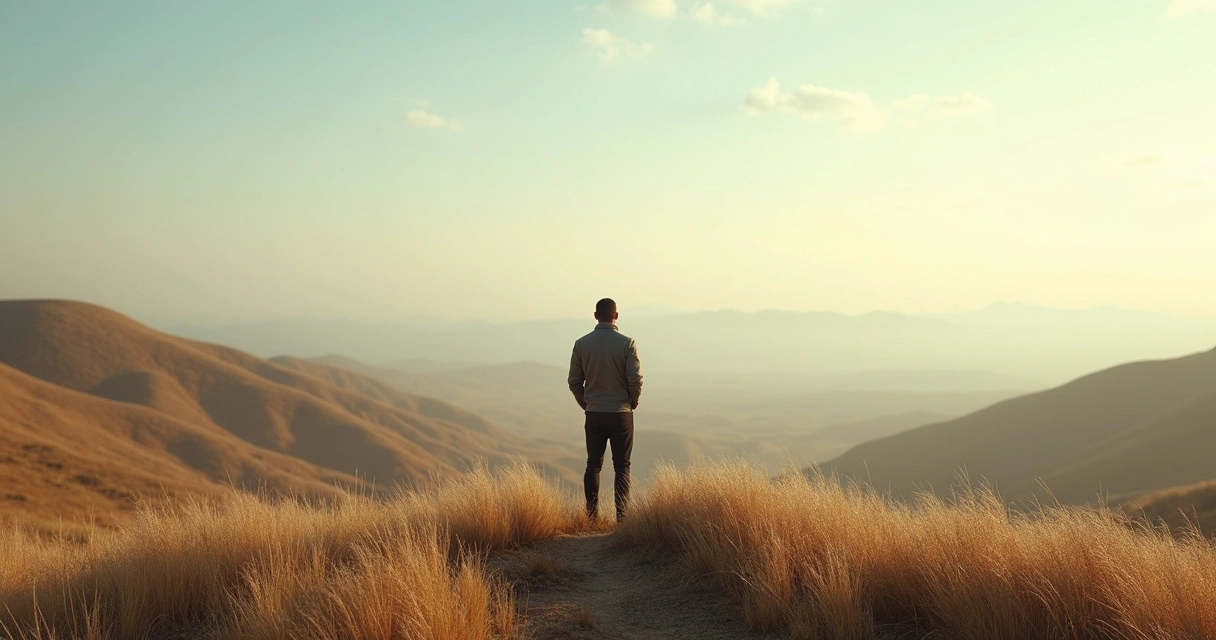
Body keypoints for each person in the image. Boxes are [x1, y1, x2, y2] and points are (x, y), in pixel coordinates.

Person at [567, 298, 642, 522]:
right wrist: (632, 402)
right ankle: (622, 519)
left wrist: (586, 404)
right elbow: (635, 378)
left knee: (593, 464)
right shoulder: (627, 343)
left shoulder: (581, 344)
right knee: (622, 466)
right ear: (616, 316)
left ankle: (592, 518)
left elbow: (573, 381)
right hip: (621, 413)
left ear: (595, 315)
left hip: (594, 413)